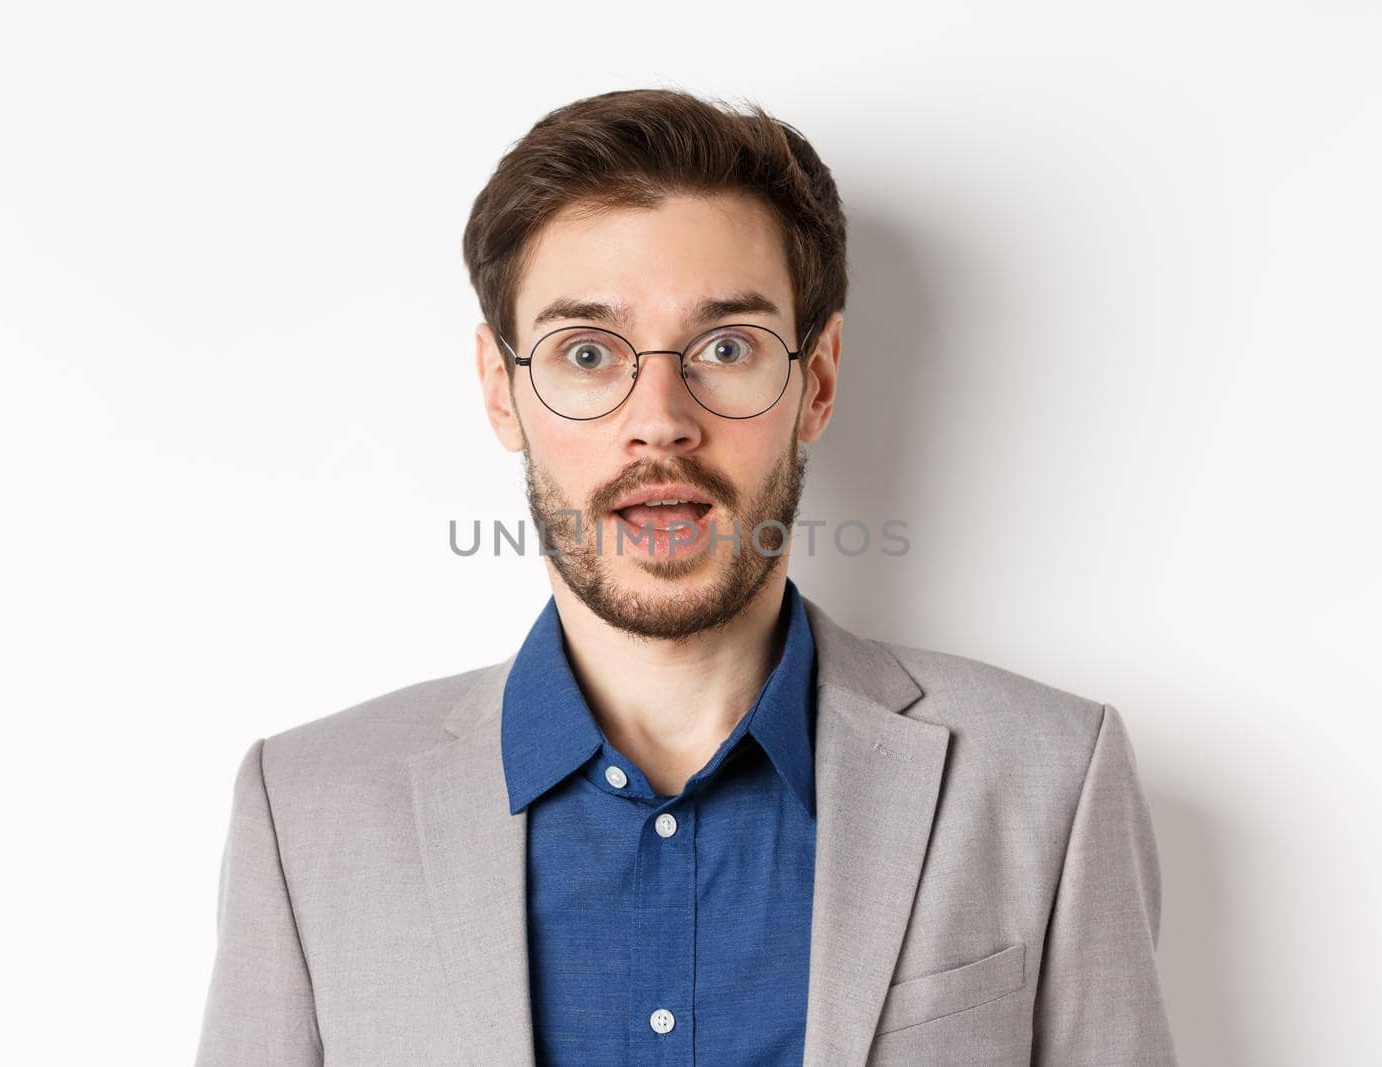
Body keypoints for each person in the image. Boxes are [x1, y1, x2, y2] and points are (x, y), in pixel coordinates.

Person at [193, 87, 1178, 1066]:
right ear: (503, 391)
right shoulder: (308, 810)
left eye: (725, 348)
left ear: (816, 380)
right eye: (587, 352)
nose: (659, 418)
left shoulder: (1049, 776)